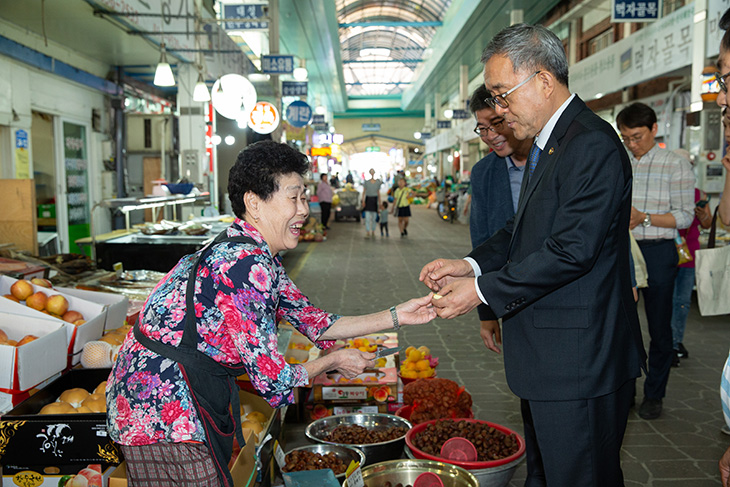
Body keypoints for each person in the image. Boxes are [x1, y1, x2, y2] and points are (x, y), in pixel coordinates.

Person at [106, 141, 437, 487]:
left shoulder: (253, 252)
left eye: (304, 197)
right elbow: (274, 381)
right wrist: (330, 362)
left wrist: (399, 315)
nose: (304, 210)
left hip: (166, 399)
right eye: (293, 198)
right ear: (254, 203)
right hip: (160, 408)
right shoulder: (243, 264)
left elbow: (316, 321)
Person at [418, 24, 645, 486]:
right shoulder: (551, 142)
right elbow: (521, 230)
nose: (499, 111)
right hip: (551, 360)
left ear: (543, 81)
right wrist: (471, 263)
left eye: (503, 96)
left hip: (580, 362)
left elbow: (570, 250)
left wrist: (478, 291)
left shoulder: (590, 144)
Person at [616, 102, 695, 420]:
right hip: (623, 251)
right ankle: (626, 390)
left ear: (654, 129)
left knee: (660, 328)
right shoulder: (620, 162)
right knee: (622, 325)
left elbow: (685, 216)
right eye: (626, 138)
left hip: (659, 251)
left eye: (637, 136)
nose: (632, 144)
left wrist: (644, 218)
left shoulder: (675, 164)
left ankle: (654, 393)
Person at [467, 83, 532, 354]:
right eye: (483, 128)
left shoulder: (554, 159)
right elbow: (482, 242)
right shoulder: (483, 172)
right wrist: (487, 312)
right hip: (511, 294)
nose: (490, 135)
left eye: (496, 123)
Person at [668, 149, 712, 366]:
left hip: (689, 256)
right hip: (666, 253)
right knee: (665, 301)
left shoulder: (699, 195)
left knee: (682, 301)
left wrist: (703, 216)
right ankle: (668, 342)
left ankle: (676, 342)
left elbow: (707, 224)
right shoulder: (664, 192)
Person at [361, 168, 382, 239]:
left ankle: (373, 231)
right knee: (367, 218)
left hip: (374, 200)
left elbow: (378, 193)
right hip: (368, 200)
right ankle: (367, 231)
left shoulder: (377, 182)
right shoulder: (366, 182)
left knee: (374, 218)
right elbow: (364, 192)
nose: (372, 173)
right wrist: (363, 201)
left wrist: (380, 203)